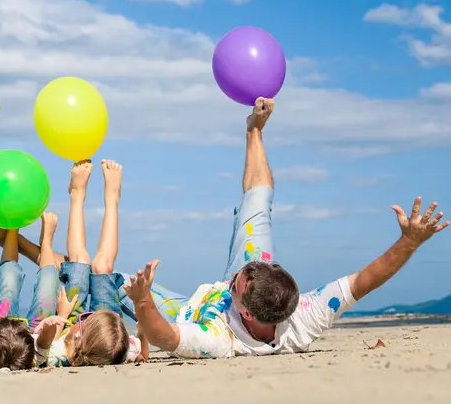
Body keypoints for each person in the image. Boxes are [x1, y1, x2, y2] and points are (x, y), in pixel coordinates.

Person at [123, 97, 450, 358]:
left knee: (116, 282)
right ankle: (254, 131)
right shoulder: (305, 315)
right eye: (254, 270)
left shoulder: (219, 341)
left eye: (237, 282)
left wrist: (141, 301)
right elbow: (365, 280)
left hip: (193, 311)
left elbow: (166, 337)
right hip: (253, 290)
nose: (236, 277)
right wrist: (409, 241)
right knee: (259, 201)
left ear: (247, 314)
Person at [42, 159, 147, 367]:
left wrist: (62, 315)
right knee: (101, 266)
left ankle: (76, 195)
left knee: (81, 262)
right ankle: (112, 199)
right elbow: (143, 355)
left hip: (70, 323)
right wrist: (142, 328)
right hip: (108, 326)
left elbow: (46, 351)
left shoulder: (64, 351)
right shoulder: (122, 347)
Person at [0, 212, 64, 372]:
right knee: (48, 285)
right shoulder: (33, 357)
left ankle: (12, 228)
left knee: (9, 284)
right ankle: (46, 239)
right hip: (33, 333)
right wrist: (48, 326)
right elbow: (44, 342)